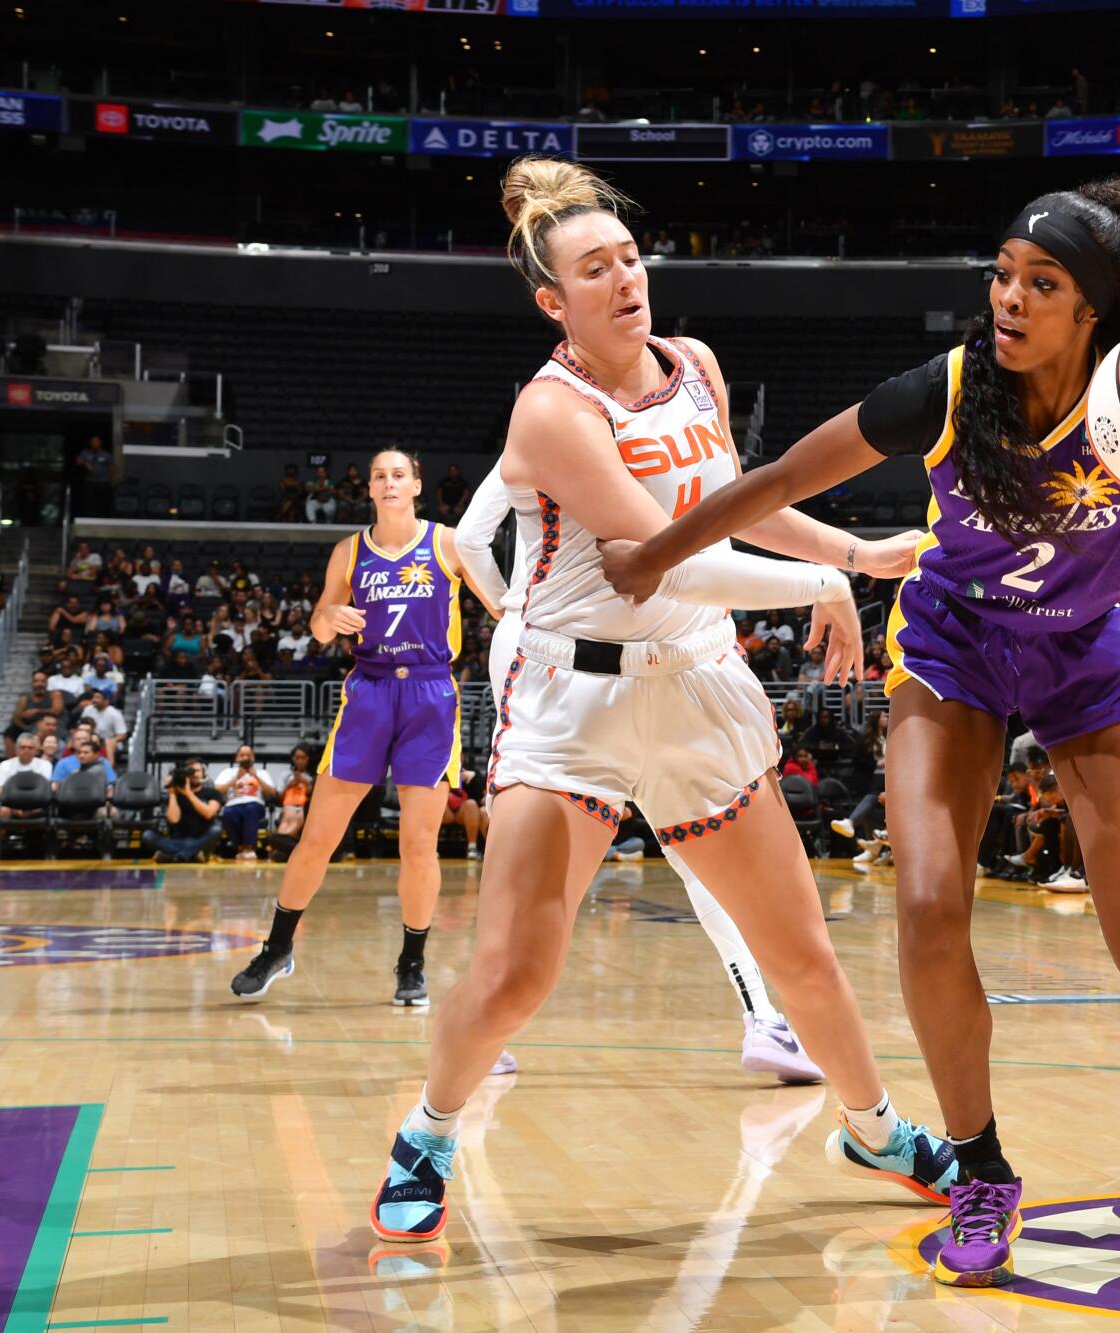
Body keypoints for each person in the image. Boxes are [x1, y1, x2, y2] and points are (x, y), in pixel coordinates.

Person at [607, 176, 1120, 1286]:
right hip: (953, 652)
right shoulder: (948, 388)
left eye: (1043, 283)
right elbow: (778, 476)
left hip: (1083, 663)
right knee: (925, 903)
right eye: (1004, 274)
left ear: (1094, 313)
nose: (1009, 298)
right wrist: (655, 552)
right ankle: (978, 1166)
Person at [368, 157, 959, 1249]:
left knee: (801, 955)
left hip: (694, 686)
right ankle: (427, 1132)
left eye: (630, 258)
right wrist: (822, 584)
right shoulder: (551, 410)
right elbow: (657, 557)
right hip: (573, 705)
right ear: (554, 302)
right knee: (514, 970)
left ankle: (872, 1128)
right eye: (595, 270)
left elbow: (730, 505)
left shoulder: (694, 365)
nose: (626, 279)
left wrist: (853, 551)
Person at [455, 420, 829, 1082]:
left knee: (548, 854)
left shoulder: (570, 433)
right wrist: (518, 607)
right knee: (669, 842)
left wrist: (511, 608)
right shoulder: (580, 436)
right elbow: (468, 540)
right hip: (584, 652)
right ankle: (762, 1017)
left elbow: (469, 540)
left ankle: (489, 1024)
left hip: (569, 650)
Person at [228, 449, 498, 1006]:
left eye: (399, 474)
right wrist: (328, 618)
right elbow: (321, 625)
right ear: (369, 489)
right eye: (380, 476)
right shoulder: (349, 552)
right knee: (318, 838)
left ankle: (412, 962)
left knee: (419, 845)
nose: (389, 482)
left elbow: (501, 607)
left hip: (430, 694)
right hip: (369, 691)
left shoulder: (448, 543)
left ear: (417, 484)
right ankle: (278, 948)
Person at [145, 761, 223, 863]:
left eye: (198, 771)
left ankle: (173, 856)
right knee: (147, 835)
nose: (194, 774)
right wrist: (172, 792)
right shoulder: (175, 794)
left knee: (216, 830)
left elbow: (208, 814)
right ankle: (191, 855)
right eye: (191, 771)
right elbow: (174, 820)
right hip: (176, 841)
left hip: (200, 840)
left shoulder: (213, 793)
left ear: (203, 774)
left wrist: (188, 793)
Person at [213, 743, 269, 863]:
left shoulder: (261, 772)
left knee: (250, 809)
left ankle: (250, 848)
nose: (245, 758)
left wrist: (256, 777)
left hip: (255, 803)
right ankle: (240, 848)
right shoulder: (228, 772)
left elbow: (272, 792)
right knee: (229, 813)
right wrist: (235, 778)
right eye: (242, 755)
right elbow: (217, 789)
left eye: (248, 755)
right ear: (237, 758)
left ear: (253, 758)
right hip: (233, 804)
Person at [0, 733, 53, 819]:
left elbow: (45, 791)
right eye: (23, 747)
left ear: (36, 750)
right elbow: (0, 790)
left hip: (37, 806)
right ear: (16, 749)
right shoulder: (4, 765)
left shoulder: (46, 765)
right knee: (3, 810)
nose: (26, 750)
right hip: (12, 806)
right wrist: (15, 810)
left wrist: (30, 809)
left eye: (30, 748)